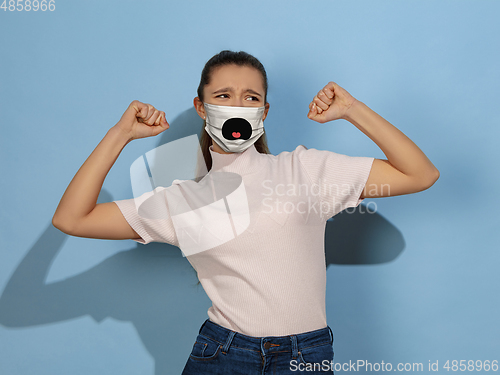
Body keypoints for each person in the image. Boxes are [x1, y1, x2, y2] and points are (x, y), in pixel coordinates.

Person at [52, 50, 440, 374]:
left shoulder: (307, 171)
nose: (237, 106)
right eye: (223, 95)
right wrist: (120, 134)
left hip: (305, 356)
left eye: (250, 98)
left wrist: (352, 109)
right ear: (201, 108)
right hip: (221, 353)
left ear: (264, 111)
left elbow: (420, 173)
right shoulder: (179, 201)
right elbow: (72, 219)